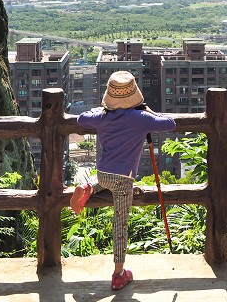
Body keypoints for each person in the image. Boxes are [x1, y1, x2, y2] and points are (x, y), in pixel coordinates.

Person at [69, 71, 175, 291]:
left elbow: (81, 118)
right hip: (123, 179)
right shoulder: (141, 118)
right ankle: (119, 274)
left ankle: (88, 187)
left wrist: (101, 110)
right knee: (120, 225)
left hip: (103, 174)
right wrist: (148, 110)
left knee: (106, 182)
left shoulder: (102, 117)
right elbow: (170, 123)